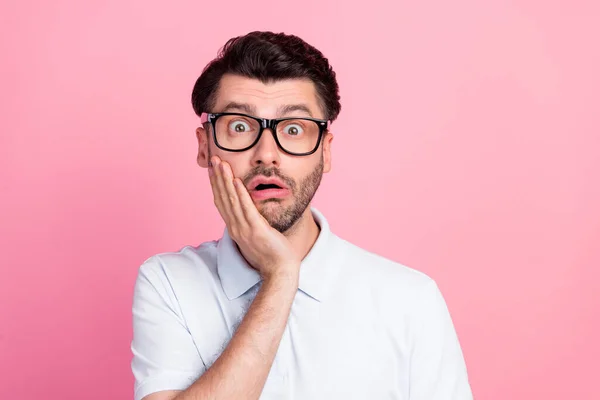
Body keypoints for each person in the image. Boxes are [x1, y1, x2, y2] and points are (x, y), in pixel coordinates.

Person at [130, 31, 473, 400]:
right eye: (240, 126)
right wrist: (281, 277)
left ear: (325, 153)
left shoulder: (409, 300)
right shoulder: (169, 283)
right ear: (204, 146)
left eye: (293, 129)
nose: (266, 154)